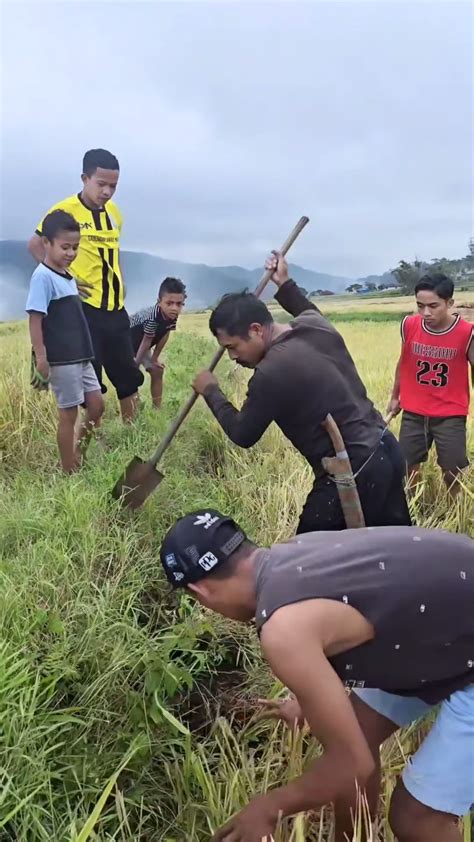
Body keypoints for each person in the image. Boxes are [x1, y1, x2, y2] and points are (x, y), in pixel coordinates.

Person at [160, 508, 474, 842]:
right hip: (445, 635)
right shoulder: (292, 553)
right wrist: (310, 702)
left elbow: (352, 764)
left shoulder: (281, 629)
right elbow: (363, 615)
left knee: (415, 818)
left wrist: (269, 807)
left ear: (200, 592)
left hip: (460, 645)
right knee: (358, 734)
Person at [192, 252, 411, 532]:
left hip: (353, 470)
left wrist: (211, 391)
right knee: (391, 546)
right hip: (386, 451)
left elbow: (242, 434)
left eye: (233, 347)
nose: (233, 357)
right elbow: (304, 308)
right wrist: (284, 283)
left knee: (306, 560)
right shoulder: (314, 324)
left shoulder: (271, 372)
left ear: (257, 330)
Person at [28, 148, 143, 422]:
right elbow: (35, 245)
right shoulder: (63, 211)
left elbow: (114, 250)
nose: (107, 191)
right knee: (91, 382)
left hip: (115, 308)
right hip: (83, 311)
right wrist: (63, 278)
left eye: (113, 186)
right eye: (101, 184)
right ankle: (93, 444)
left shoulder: (115, 213)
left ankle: (133, 435)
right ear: (84, 178)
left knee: (128, 375)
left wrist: (122, 280)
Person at [26, 210, 104, 472]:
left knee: (96, 405)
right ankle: (68, 469)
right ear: (46, 243)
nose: (71, 253)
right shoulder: (43, 277)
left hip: (81, 355)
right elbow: (35, 318)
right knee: (68, 414)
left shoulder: (68, 276)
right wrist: (41, 357)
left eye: (75, 247)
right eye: (65, 247)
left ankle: (78, 454)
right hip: (62, 357)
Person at [387, 273, 473, 498]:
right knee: (406, 466)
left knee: (453, 471)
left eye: (433, 306)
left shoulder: (466, 333)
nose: (426, 313)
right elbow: (403, 362)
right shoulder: (409, 325)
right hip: (414, 411)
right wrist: (395, 396)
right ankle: (413, 509)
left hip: (450, 413)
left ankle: (458, 514)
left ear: (449, 303)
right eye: (420, 306)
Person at [129, 277, 186, 408]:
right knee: (131, 376)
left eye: (179, 304)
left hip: (143, 344)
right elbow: (146, 340)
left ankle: (157, 408)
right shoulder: (153, 317)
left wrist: (154, 359)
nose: (174, 308)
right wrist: (136, 364)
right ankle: (134, 410)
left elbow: (165, 335)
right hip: (128, 342)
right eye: (169, 303)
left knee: (157, 370)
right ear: (159, 302)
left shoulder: (172, 316)